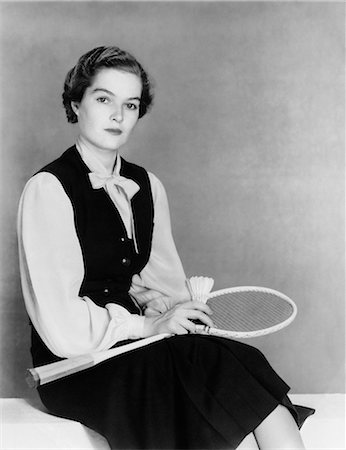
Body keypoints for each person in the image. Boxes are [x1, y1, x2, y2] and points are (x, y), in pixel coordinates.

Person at [18, 46, 313, 450]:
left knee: (236, 359)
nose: (118, 115)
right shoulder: (49, 188)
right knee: (191, 368)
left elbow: (163, 283)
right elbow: (60, 324)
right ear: (76, 103)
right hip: (75, 365)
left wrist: (167, 310)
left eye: (131, 105)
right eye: (104, 99)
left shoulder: (148, 186)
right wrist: (146, 326)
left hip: (139, 345)